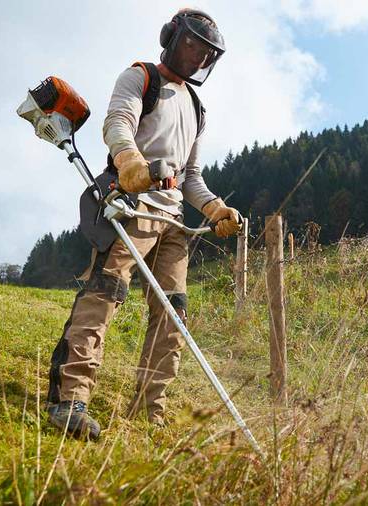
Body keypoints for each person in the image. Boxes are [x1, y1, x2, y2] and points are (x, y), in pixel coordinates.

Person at [46, 8, 242, 440]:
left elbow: (192, 178)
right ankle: (69, 400)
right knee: (105, 294)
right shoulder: (140, 78)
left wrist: (215, 210)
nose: (198, 58)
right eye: (192, 45)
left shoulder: (196, 108)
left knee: (174, 313)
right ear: (171, 37)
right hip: (131, 204)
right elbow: (118, 124)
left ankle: (150, 409)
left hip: (172, 221)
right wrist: (129, 160)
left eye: (207, 53)